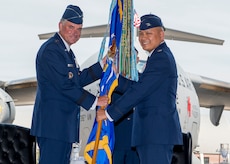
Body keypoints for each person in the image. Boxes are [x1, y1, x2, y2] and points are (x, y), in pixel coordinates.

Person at [97, 14, 183, 164]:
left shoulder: (161, 58)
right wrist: (116, 78)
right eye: (141, 33)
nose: (143, 38)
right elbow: (142, 86)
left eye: (149, 33)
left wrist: (109, 114)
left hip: (155, 135)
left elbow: (140, 91)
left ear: (161, 34)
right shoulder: (157, 57)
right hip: (152, 134)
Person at [30, 5, 108, 164]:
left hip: (62, 127)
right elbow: (65, 85)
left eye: (79, 29)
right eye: (71, 27)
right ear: (60, 25)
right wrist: (95, 101)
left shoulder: (65, 51)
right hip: (53, 127)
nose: (75, 32)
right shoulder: (52, 50)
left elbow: (77, 79)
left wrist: (102, 65)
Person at [112, 48, 140, 164]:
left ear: (137, 60)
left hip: (135, 142)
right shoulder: (111, 81)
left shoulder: (142, 81)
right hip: (116, 139)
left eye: (131, 58)